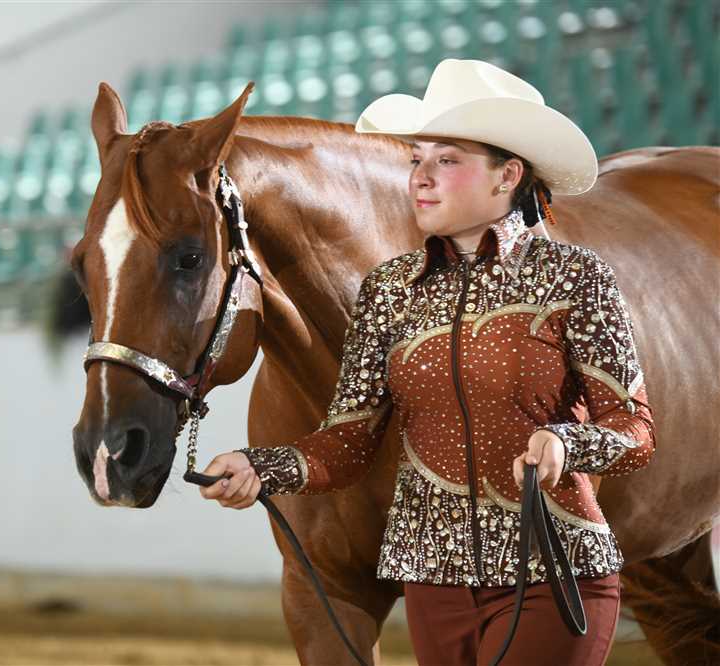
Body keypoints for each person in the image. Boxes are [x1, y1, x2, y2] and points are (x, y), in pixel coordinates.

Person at [198, 58, 656, 665]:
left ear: (507, 175)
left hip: (556, 570)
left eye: (448, 160)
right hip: (433, 586)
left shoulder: (576, 278)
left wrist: (568, 444)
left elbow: (635, 431)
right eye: (418, 159)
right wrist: (263, 467)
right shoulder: (389, 290)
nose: (421, 177)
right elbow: (350, 440)